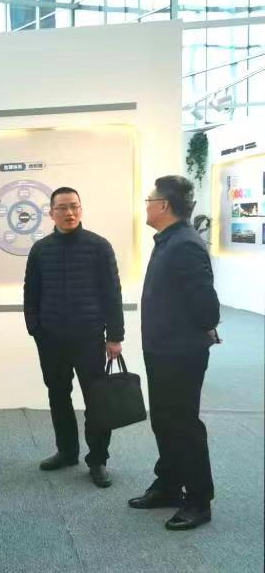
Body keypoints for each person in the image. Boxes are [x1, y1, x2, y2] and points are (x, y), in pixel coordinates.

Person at [130, 175, 220, 531]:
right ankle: (169, 484)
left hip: (180, 352)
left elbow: (206, 305)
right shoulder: (169, 240)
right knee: (164, 421)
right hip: (162, 348)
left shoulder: (184, 244)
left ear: (163, 205)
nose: (146, 206)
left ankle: (199, 500)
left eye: (149, 201)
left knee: (183, 424)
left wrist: (205, 326)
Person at [23, 187, 124, 488]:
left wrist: (115, 336)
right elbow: (31, 293)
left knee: (97, 401)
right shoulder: (40, 249)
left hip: (89, 337)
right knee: (58, 395)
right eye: (62, 207)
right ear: (51, 212)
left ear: (81, 209)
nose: (69, 213)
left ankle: (98, 460)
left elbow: (112, 293)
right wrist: (35, 329)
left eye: (75, 206)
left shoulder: (99, 246)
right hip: (51, 339)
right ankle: (66, 452)